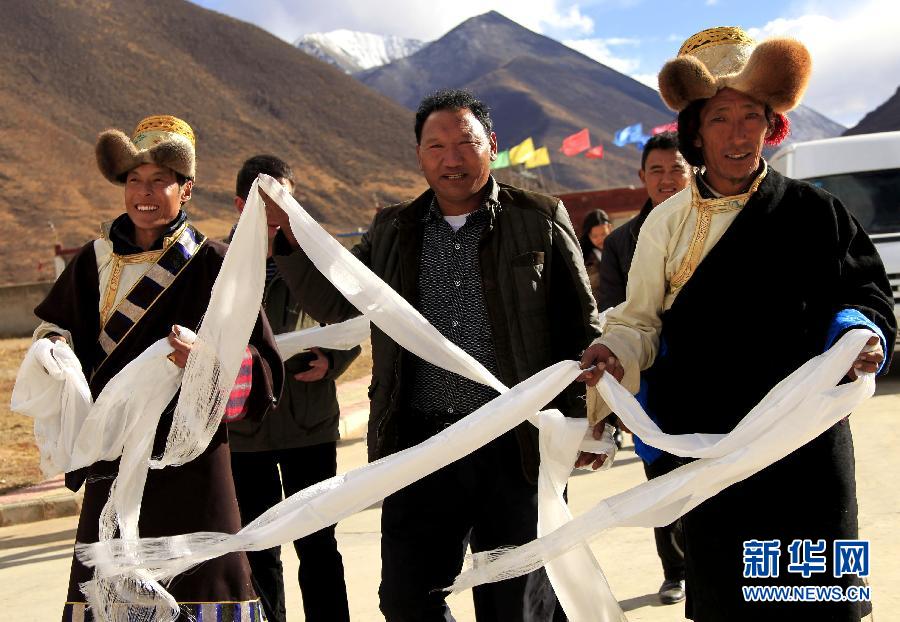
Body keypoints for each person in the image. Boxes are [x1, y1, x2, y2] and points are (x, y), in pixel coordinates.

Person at [579, 27, 896, 621]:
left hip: (805, 438)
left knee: (819, 599)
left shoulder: (816, 212)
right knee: (731, 601)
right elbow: (640, 321)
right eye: (720, 118)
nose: (738, 133)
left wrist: (860, 335)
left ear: (771, 125)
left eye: (752, 115)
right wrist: (614, 351)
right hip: (713, 449)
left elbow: (864, 294)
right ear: (696, 132)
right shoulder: (665, 226)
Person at [268, 89, 602, 621]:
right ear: (419, 155)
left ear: (491, 145)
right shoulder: (392, 230)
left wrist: (591, 420)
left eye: (465, 142)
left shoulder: (538, 217)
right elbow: (336, 300)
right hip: (421, 444)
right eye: (436, 146)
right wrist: (286, 241)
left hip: (515, 444)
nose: (452, 158)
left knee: (515, 604)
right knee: (407, 599)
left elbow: (581, 327)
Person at [33, 115, 284, 621]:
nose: (143, 194)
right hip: (113, 453)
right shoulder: (91, 262)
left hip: (190, 462)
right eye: (134, 180)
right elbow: (56, 330)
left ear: (185, 189)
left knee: (206, 588)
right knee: (110, 592)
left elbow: (263, 367)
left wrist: (212, 366)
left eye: (159, 181)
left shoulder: (215, 263)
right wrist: (53, 348)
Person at [228, 155, 359, 622]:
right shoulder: (217, 265)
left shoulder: (316, 257)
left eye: (285, 199)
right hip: (245, 430)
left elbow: (353, 319)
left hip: (310, 423)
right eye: (266, 201)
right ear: (241, 204)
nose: (277, 211)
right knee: (258, 547)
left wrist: (334, 361)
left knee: (318, 543)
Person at [595, 131, 690, 605]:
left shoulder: (713, 226)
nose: (667, 179)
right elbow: (614, 311)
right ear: (642, 177)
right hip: (651, 379)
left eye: (676, 169)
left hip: (709, 375)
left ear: (692, 172)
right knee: (662, 479)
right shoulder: (622, 242)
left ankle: (714, 568)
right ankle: (676, 571)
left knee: (714, 473)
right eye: (657, 170)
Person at [579, 208, 612, 304]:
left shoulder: (620, 248)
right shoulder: (583, 257)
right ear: (588, 236)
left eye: (603, 234)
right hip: (597, 306)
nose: (600, 239)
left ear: (610, 228)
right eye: (595, 236)